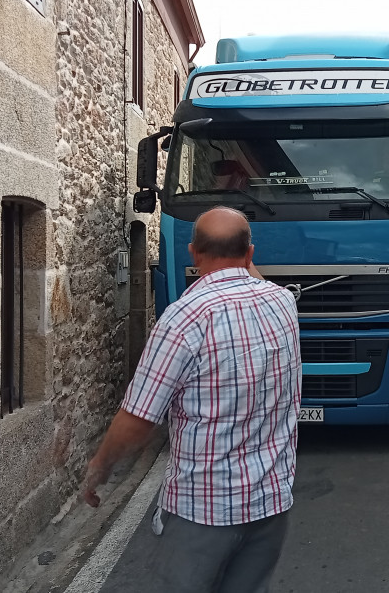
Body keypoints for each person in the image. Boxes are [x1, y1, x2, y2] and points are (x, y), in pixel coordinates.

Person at [81, 206, 301, 593]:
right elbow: (251, 274)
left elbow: (138, 419)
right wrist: (243, 255)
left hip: (204, 510)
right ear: (251, 253)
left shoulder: (183, 319)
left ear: (192, 254)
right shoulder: (282, 303)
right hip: (270, 504)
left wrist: (100, 466)